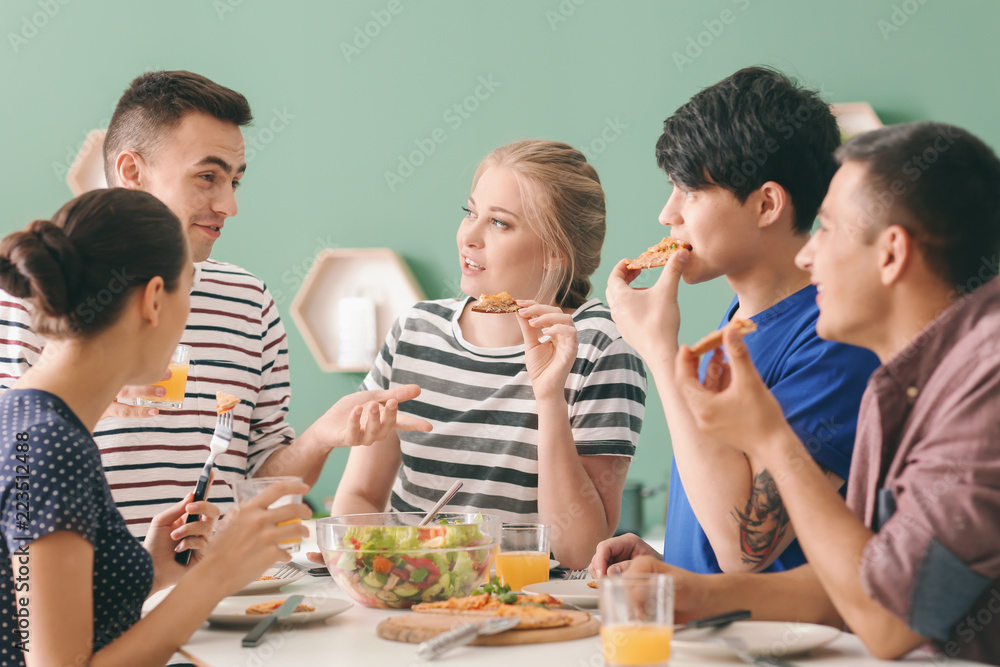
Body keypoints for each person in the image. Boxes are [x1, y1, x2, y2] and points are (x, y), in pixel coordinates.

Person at [624, 121, 1000, 664]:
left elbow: (892, 619)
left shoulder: (984, 389)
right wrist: (690, 593)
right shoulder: (899, 383)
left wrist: (771, 438)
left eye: (826, 228)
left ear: (891, 254)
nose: (807, 255)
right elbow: (864, 581)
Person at [0, 71, 430, 538]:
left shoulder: (248, 302)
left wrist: (322, 437)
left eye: (235, 181)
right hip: (85, 601)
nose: (228, 204)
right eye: (207, 177)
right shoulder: (36, 293)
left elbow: (262, 487)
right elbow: (19, 477)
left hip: (213, 596)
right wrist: (94, 397)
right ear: (131, 172)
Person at [0, 188, 312, 666]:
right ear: (152, 301)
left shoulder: (26, 422)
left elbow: (31, 607)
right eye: (187, 289)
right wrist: (217, 576)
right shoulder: (51, 446)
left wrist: (144, 571)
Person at [591, 67, 880, 577]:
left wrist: (661, 353)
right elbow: (725, 530)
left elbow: (747, 552)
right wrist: (675, 562)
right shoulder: (736, 327)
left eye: (691, 192)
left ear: (766, 203)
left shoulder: (837, 344)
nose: (667, 214)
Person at [330, 140, 647, 568]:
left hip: (533, 603)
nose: (469, 236)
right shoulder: (416, 330)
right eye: (470, 213)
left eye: (499, 223)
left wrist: (549, 397)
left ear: (556, 251)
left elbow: (578, 551)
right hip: (413, 587)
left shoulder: (600, 346)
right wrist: (378, 568)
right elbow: (362, 495)